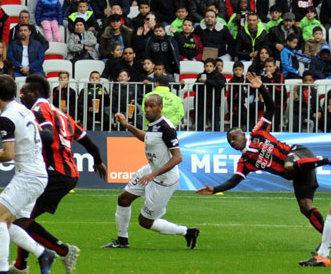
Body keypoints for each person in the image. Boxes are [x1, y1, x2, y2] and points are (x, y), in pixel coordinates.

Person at [196, 73, 329, 242]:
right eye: (229, 141)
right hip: (299, 172)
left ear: (243, 135)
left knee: (288, 165)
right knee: (305, 207)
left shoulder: (258, 132)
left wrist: (262, 88)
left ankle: (325, 160)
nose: (231, 142)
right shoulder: (245, 162)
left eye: (234, 138)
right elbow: (234, 181)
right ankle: (327, 240)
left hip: (299, 153)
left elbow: (271, 108)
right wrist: (215, 189)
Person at [8, 75, 107, 274]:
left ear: (35, 93)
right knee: (24, 217)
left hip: (53, 172)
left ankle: (62, 251)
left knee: (21, 219)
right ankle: (20, 265)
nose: (21, 94)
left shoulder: (38, 110)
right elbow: (90, 143)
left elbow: (48, 136)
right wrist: (98, 161)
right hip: (68, 174)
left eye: (24, 91)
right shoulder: (62, 115)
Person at [0, 75, 57, 274]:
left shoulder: (6, 117)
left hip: (28, 176)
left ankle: (2, 272)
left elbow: (9, 154)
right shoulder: (24, 110)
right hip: (38, 174)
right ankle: (44, 253)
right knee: (8, 222)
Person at [102, 95, 199, 250]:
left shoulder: (167, 128)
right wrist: (127, 125)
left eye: (152, 106)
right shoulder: (153, 124)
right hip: (150, 170)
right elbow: (147, 137)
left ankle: (187, 232)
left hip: (164, 179)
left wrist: (154, 174)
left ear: (160, 107)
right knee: (124, 199)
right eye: (146, 106)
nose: (147, 109)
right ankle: (122, 241)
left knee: (145, 221)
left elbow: (178, 157)